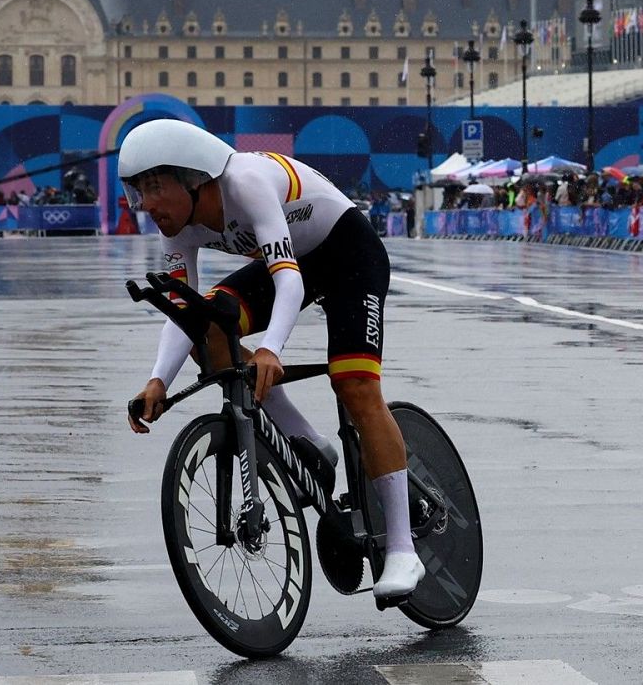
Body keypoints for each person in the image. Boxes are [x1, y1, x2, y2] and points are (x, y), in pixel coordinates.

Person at [119, 119, 424, 600]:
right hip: (293, 260)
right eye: (138, 192)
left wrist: (270, 349)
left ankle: (404, 550)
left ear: (194, 177)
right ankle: (308, 442)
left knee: (355, 385)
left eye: (155, 188)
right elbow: (183, 312)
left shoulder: (245, 182)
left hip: (347, 254)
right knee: (210, 331)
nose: (146, 204)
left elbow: (291, 280)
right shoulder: (176, 227)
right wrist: (157, 379)